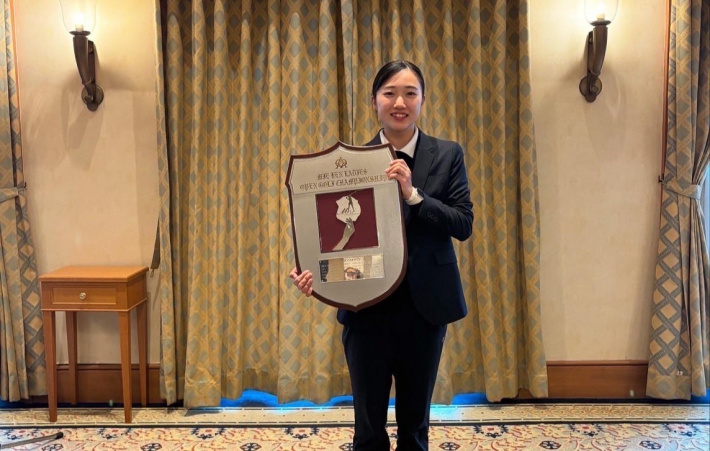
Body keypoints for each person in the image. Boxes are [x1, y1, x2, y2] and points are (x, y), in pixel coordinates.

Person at [289, 60, 473, 451]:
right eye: (389, 93)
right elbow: (333, 232)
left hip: (425, 309)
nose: (399, 102)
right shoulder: (351, 162)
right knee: (368, 430)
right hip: (366, 308)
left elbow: (462, 223)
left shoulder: (447, 154)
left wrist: (414, 195)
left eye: (410, 93)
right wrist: (314, 271)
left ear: (422, 100)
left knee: (415, 428)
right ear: (374, 101)